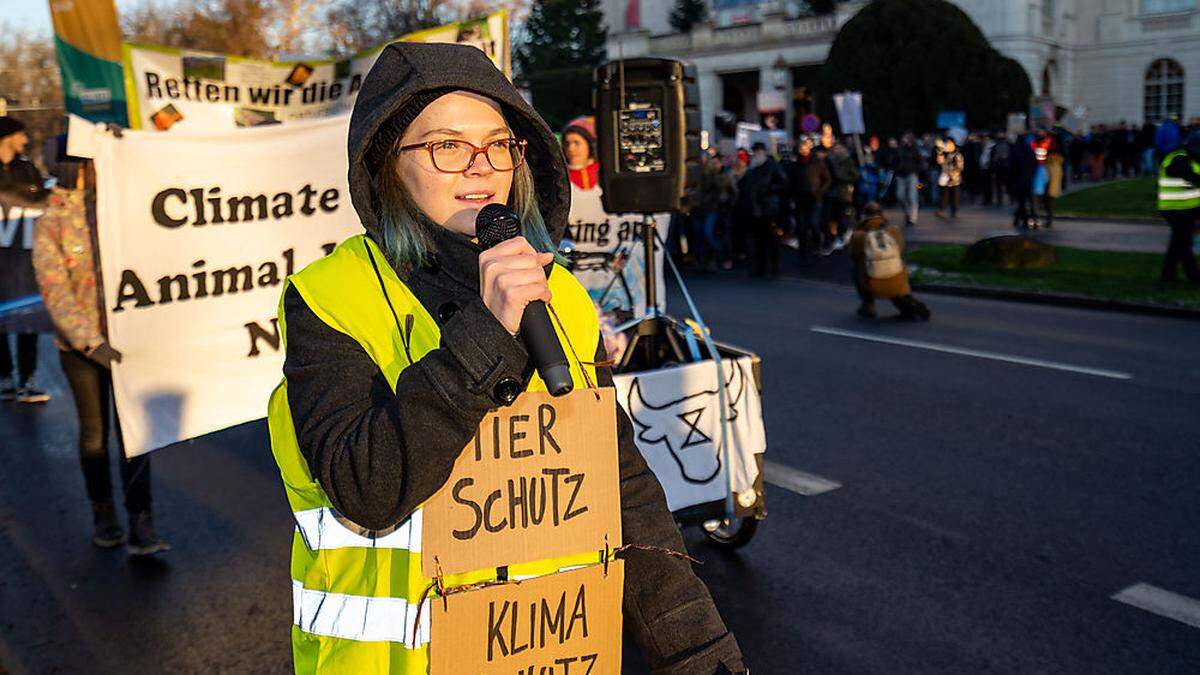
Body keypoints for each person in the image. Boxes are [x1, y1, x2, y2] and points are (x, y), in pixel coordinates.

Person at [267, 42, 745, 673]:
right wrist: (488, 334)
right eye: (447, 146)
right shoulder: (330, 298)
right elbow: (368, 488)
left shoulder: (563, 297)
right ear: (388, 163)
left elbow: (623, 493)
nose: (480, 167)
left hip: (548, 654)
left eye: (498, 144)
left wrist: (702, 653)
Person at [32, 136, 170, 555]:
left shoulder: (122, 209)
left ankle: (141, 520)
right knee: (95, 435)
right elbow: (55, 291)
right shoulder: (52, 220)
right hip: (82, 352)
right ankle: (103, 512)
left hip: (127, 345)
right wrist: (91, 343)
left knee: (134, 435)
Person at [0, 115, 51, 403]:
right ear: (6, 137)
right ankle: (5, 376)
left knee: (27, 314)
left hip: (23, 253)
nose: (26, 141)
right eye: (21, 135)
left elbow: (39, 202)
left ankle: (28, 378)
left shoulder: (27, 169)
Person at [849, 202, 930, 320]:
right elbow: (900, 250)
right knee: (897, 266)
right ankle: (908, 303)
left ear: (864, 216)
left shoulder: (858, 236)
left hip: (872, 283)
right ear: (882, 215)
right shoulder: (893, 231)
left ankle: (868, 305)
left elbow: (854, 256)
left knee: (856, 270)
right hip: (897, 281)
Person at [737, 141, 787, 276]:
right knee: (757, 240)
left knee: (770, 238)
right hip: (753, 209)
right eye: (755, 151)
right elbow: (744, 185)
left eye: (759, 151)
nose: (757, 154)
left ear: (764, 152)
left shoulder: (772, 166)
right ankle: (760, 266)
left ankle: (774, 264)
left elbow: (783, 182)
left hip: (767, 208)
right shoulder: (752, 168)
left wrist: (769, 190)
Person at [1156, 130, 1200, 283]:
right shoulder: (1179, 156)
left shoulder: (1191, 158)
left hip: (1186, 209)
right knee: (1183, 244)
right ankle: (1194, 277)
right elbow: (1177, 169)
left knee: (1178, 243)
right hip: (1175, 208)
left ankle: (1167, 276)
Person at [786, 136, 831, 256]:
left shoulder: (817, 163)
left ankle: (817, 246)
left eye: (805, 147)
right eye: (801, 148)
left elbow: (827, 179)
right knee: (801, 226)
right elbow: (791, 181)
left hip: (815, 198)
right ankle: (803, 249)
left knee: (814, 223)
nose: (803, 150)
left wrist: (820, 191)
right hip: (800, 199)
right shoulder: (795, 165)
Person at [561, 115, 599, 190]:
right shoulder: (562, 177)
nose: (571, 149)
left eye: (576, 143)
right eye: (567, 144)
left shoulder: (601, 172)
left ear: (589, 146)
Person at [893, 133, 921, 226]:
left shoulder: (915, 149)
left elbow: (919, 161)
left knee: (912, 196)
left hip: (912, 174)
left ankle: (913, 217)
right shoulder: (900, 149)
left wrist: (916, 170)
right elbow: (895, 160)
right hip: (901, 175)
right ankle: (907, 212)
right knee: (899, 195)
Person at [935, 137, 964, 218]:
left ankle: (954, 211)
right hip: (945, 177)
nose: (947, 145)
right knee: (944, 195)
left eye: (949, 143)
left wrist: (954, 174)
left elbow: (960, 166)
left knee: (954, 196)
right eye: (947, 143)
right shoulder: (943, 154)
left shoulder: (957, 154)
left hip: (954, 178)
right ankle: (942, 210)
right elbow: (939, 162)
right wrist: (940, 152)